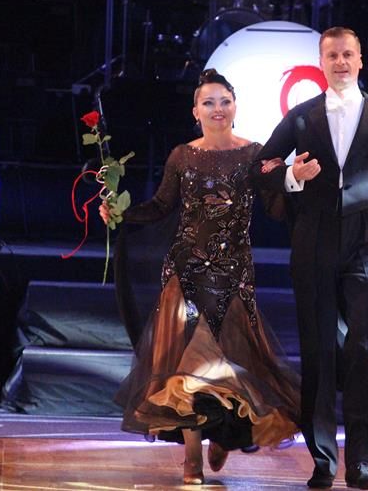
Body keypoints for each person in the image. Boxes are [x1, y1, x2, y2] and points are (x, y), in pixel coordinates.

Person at [101, 68, 299, 485]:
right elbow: (161, 206)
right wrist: (120, 212)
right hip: (185, 275)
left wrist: (292, 179)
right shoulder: (182, 156)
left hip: (234, 278)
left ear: (236, 107)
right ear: (196, 111)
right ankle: (192, 456)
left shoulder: (254, 154)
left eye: (224, 101)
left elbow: (276, 210)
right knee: (186, 368)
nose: (217, 109)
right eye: (208, 102)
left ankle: (225, 435)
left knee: (229, 369)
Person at [250, 27, 368, 490]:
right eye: (333, 55)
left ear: (360, 60)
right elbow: (259, 168)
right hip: (315, 238)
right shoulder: (301, 116)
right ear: (321, 62)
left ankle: (361, 461)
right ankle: (323, 460)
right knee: (319, 350)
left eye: (348, 54)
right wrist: (292, 175)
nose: (341, 62)